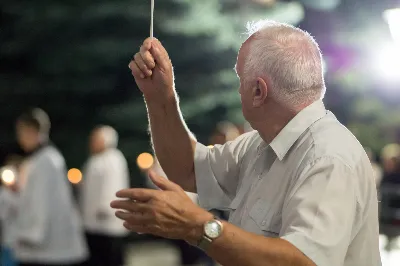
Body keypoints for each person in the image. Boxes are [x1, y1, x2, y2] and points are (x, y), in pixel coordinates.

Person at [111, 20, 381, 266]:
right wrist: (160, 97)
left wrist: (197, 227)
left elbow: (303, 262)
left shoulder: (327, 156)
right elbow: (188, 170)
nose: (238, 89)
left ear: (258, 91)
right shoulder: (260, 145)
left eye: (239, 79)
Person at [15, 108, 88, 266]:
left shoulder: (46, 161)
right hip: (46, 246)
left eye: (21, 133)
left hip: (47, 247)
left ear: (31, 131)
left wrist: (31, 234)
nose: (20, 139)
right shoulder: (41, 159)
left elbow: (41, 202)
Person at [80, 126, 129, 266]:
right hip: (93, 223)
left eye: (95, 139)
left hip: (107, 222)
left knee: (110, 258)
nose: (92, 143)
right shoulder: (95, 160)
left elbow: (112, 187)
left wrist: (105, 209)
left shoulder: (114, 159)